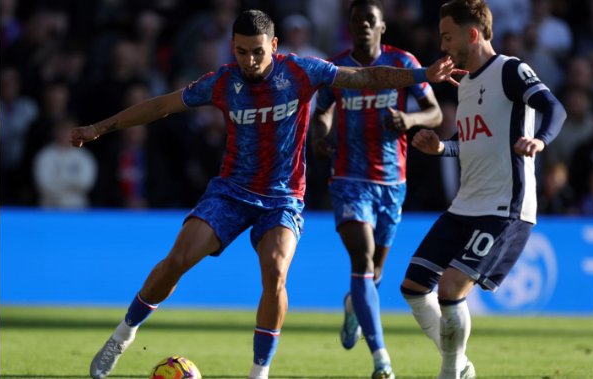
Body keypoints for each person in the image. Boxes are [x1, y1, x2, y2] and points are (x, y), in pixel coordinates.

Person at [72, 9, 459, 379]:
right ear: (232, 48)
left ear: (274, 45)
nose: (250, 60)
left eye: (258, 51)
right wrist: (99, 128)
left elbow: (365, 78)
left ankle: (260, 372)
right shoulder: (223, 82)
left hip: (283, 200)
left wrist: (422, 74)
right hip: (230, 193)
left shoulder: (302, 71)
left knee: (275, 273)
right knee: (178, 259)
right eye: (241, 51)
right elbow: (162, 105)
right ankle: (123, 334)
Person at [398, 1, 566, 379]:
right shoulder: (467, 83)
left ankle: (450, 372)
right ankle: (460, 365)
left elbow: (554, 107)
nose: (443, 45)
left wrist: (539, 141)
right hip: (465, 206)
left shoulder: (510, 69)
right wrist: (442, 147)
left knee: (450, 287)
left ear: (472, 34)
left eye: (447, 36)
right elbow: (470, 140)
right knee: (412, 286)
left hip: (504, 206)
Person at [310, 1, 442, 378]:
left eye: (371, 21)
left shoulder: (402, 64)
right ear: (349, 27)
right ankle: (381, 359)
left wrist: (410, 119)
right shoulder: (336, 69)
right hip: (349, 180)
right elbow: (322, 111)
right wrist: (320, 136)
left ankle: (354, 305)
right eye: (357, 21)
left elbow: (435, 113)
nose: (364, 26)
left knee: (376, 273)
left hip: (392, 183)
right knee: (362, 261)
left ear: (382, 27)